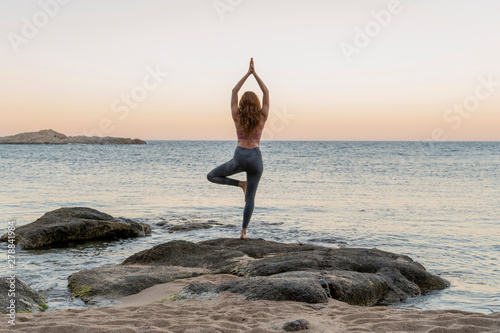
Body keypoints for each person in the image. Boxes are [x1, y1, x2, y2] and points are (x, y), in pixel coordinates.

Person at [207, 58, 270, 240]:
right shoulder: (262, 116)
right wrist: (255, 74)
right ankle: (243, 232)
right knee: (250, 198)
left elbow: (234, 90)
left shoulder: (237, 116)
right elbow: (266, 91)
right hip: (256, 158)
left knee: (211, 176)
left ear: (242, 103)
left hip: (240, 156)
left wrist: (247, 74)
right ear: (257, 103)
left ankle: (239, 184)